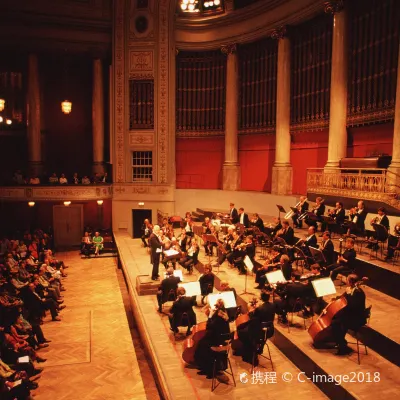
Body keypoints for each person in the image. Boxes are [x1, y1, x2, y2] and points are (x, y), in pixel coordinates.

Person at [194, 299, 231, 379]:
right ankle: (207, 368)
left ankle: (209, 370)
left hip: (216, 342)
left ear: (216, 307)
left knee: (201, 345)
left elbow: (209, 326)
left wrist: (210, 316)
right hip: (223, 341)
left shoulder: (218, 317)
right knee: (202, 343)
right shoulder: (224, 313)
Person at [237, 291, 276, 365]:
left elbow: (253, 320)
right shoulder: (273, 305)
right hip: (269, 330)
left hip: (258, 332)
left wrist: (251, 312)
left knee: (242, 332)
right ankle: (260, 348)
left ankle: (250, 354)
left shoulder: (260, 309)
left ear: (261, 298)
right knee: (259, 336)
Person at [331, 274, 366, 355]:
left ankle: (342, 345)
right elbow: (343, 298)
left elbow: (352, 306)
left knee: (335, 323)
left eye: (347, 280)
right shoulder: (351, 289)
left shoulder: (358, 293)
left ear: (350, 282)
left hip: (356, 319)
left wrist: (349, 295)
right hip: (350, 315)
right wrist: (335, 299)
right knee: (336, 319)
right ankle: (341, 342)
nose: (346, 281)